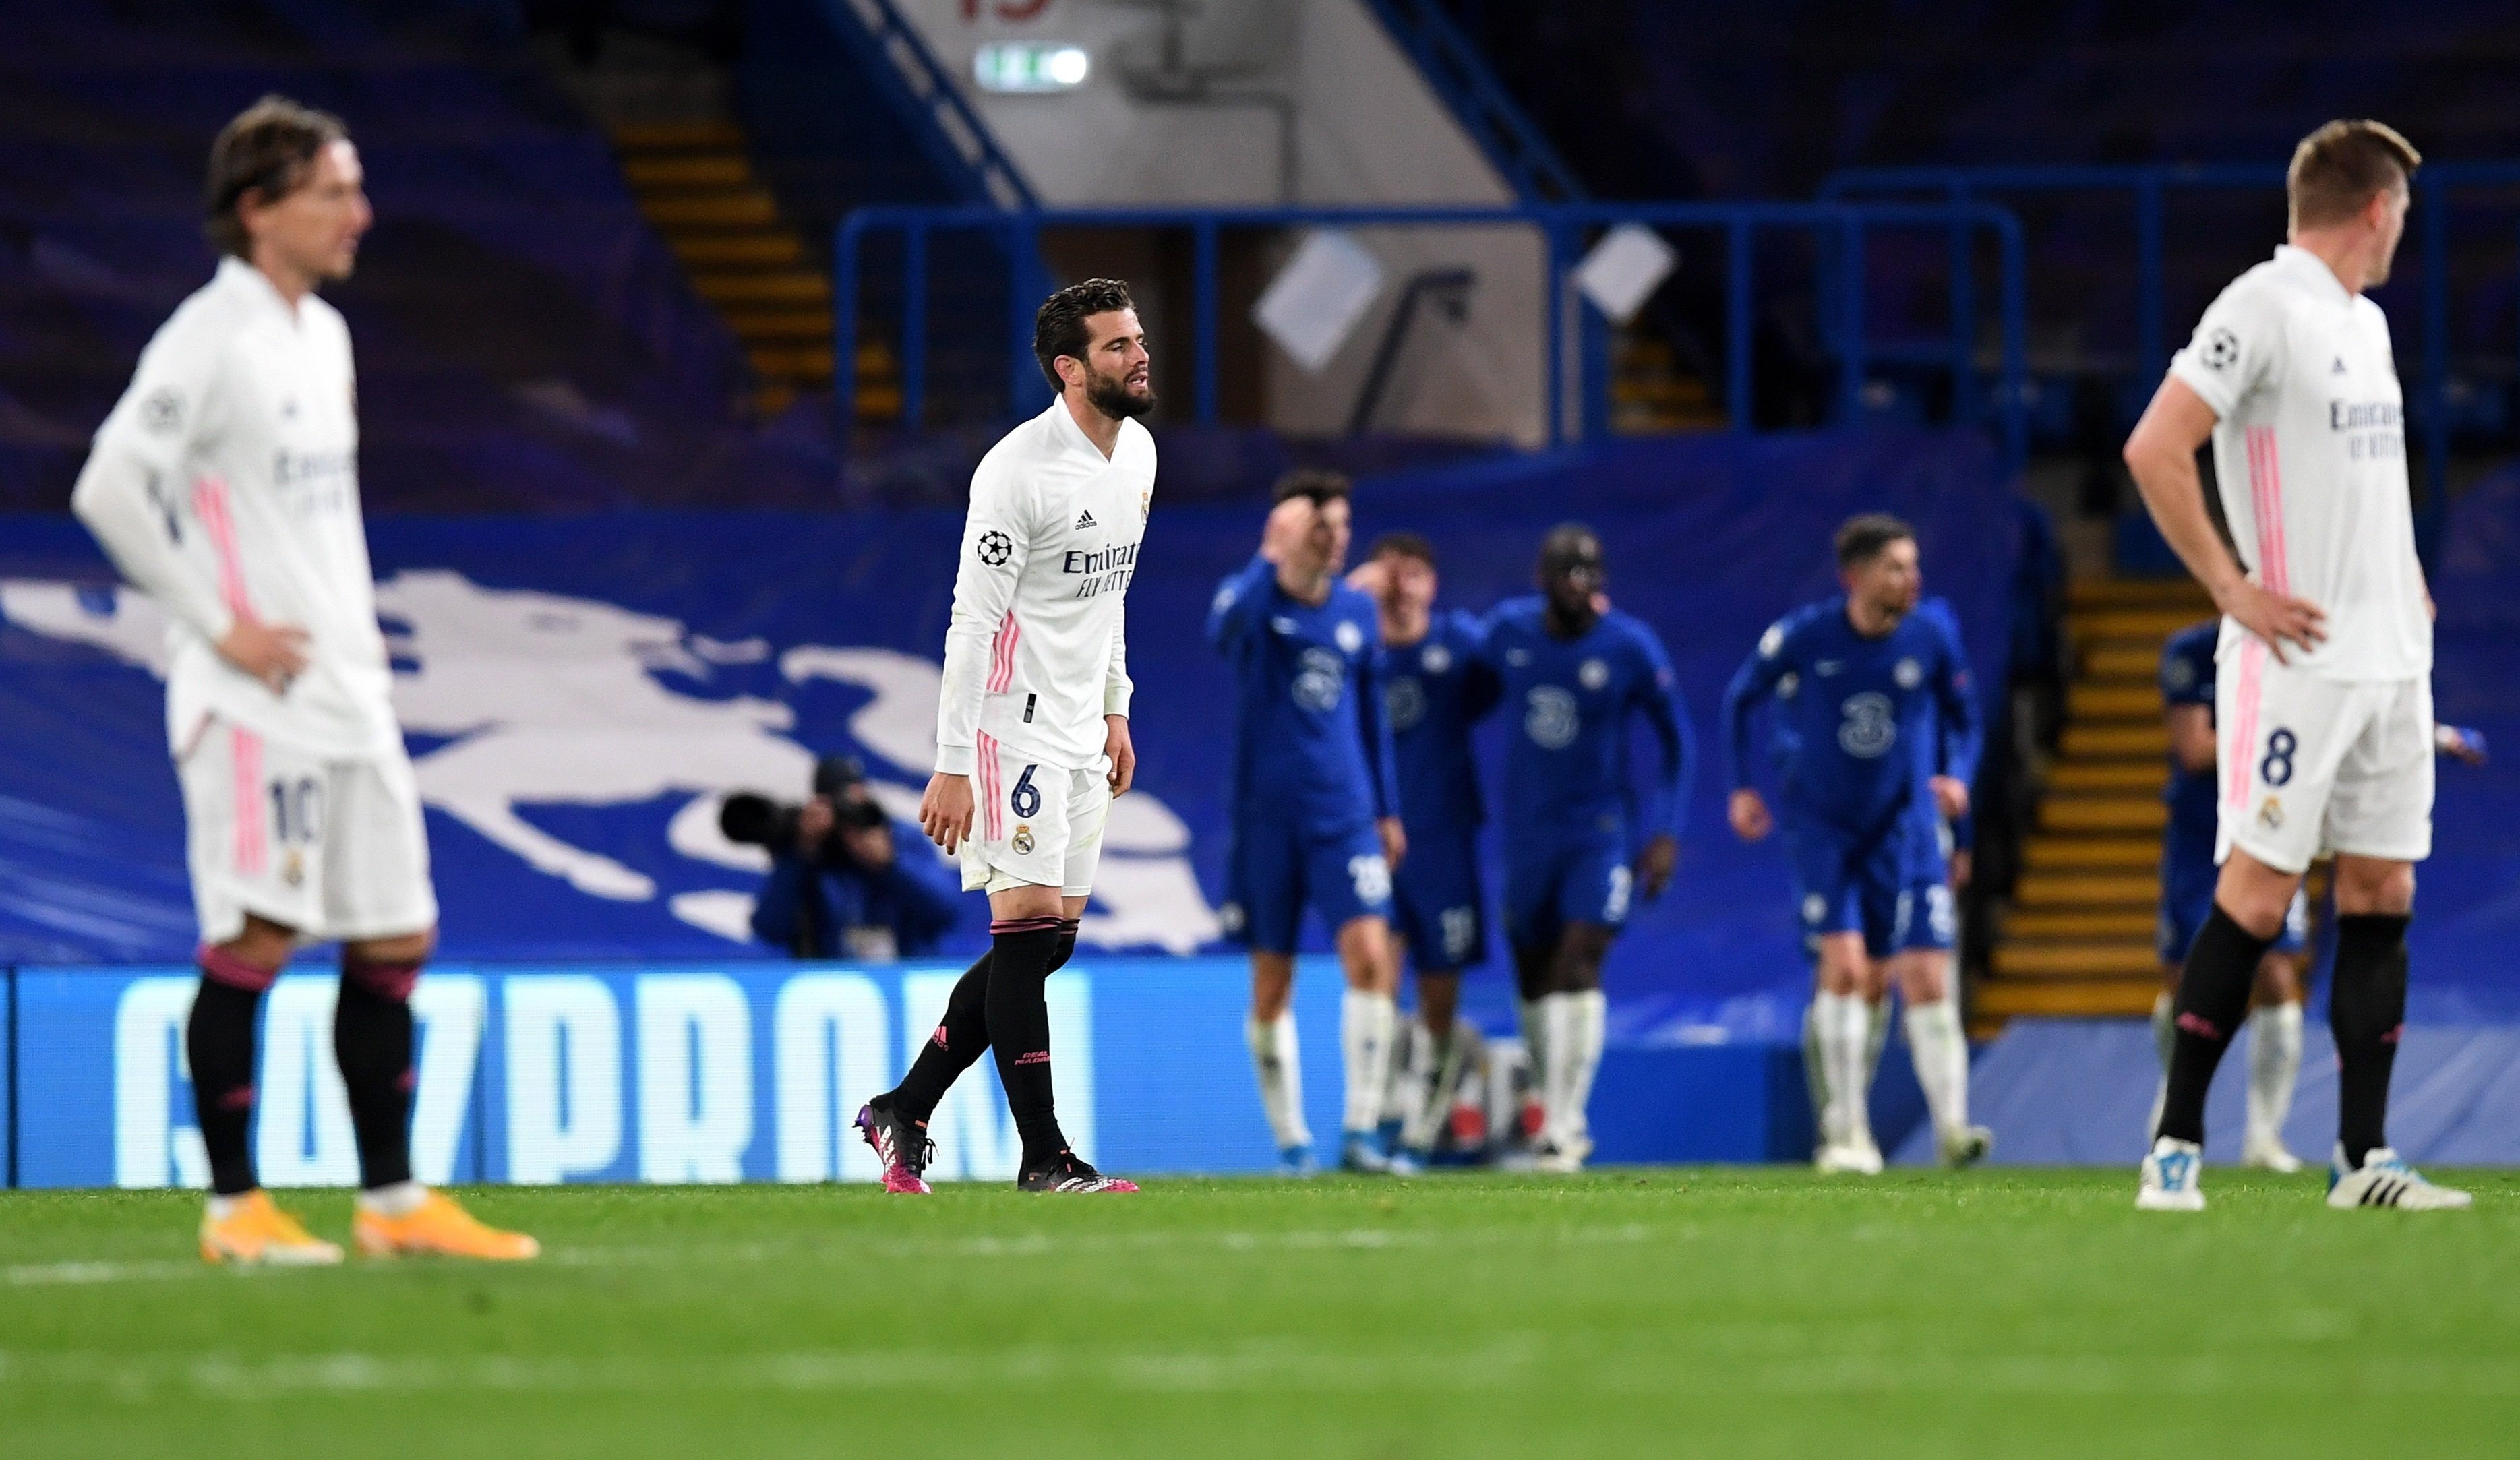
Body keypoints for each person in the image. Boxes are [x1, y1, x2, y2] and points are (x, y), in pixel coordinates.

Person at [69, 96, 535, 1262]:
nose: (359, 213)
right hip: (252, 699)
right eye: (333, 191)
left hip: (347, 691)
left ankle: (392, 1206)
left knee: (394, 936)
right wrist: (216, 624)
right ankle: (236, 1211)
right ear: (259, 208)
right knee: (260, 932)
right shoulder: (207, 335)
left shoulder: (319, 334)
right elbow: (108, 487)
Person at [2123, 119, 2468, 1211]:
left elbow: (2362, 479)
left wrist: (2402, 574)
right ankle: (2173, 1145)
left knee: (2381, 888)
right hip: (2296, 660)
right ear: (2374, 207)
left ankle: (2361, 1159)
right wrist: (2231, 589)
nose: (2401, 230)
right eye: (2401, 212)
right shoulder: (2259, 305)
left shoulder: (2361, 325)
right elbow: (2153, 444)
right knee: (2257, 896)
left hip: (2386, 660)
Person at [854, 278, 1154, 1196]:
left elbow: (1109, 596)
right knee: (1023, 929)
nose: (1138, 356)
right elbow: (970, 625)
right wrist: (951, 764)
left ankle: (902, 1108)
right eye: (1115, 346)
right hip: (1009, 724)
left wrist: (1116, 703)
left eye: (1137, 339)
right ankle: (1044, 1155)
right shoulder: (1015, 472)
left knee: (1048, 940)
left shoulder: (1137, 454)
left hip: (1078, 727)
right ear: (1069, 370)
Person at [2149, 620, 2488, 1174]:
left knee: (2280, 975)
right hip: (2199, 833)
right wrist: (2296, 729)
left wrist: (2430, 734)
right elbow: (2195, 749)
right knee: (2184, 978)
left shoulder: (2316, 643)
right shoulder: (2197, 650)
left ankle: (2265, 1136)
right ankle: (2177, 1107)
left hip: (2280, 818)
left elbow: (2357, 708)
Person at [1721, 516, 1988, 1174]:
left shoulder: (1931, 638)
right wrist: (1741, 788)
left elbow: (1966, 718)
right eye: (1896, 567)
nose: (1911, 579)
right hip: (1826, 829)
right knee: (1846, 970)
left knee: (1925, 976)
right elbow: (1738, 700)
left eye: (1912, 564)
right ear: (1856, 576)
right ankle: (1846, 1131)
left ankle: (1953, 1129)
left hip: (1909, 830)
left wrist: (1958, 776)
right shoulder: (1806, 637)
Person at [1209, 471, 1408, 1176]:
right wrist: (1270, 555)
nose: (1336, 539)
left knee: (1371, 959)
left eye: (1343, 526)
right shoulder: (1254, 602)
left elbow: (1371, 717)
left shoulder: (1357, 610)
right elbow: (1224, 633)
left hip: (1345, 817)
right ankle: (1292, 1143)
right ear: (1291, 531)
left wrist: (1386, 808)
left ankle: (1360, 1132)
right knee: (1272, 984)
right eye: (1322, 526)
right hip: (1268, 822)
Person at [1480, 524, 1691, 1173]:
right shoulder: (1508, 633)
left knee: (1580, 962)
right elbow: (1461, 689)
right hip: (1528, 834)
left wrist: (1666, 831)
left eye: (1591, 572)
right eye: (1568, 572)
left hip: (1599, 833)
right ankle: (1553, 1104)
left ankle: (1566, 1123)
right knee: (1535, 978)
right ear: (1542, 580)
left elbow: (1677, 738)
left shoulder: (1630, 645)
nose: (1582, 584)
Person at [1348, 533, 1501, 1173]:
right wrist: (1353, 593)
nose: (1402, 587)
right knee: (1375, 966)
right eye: (1392, 576)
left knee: (1440, 993)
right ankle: (1370, 1114)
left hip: (1444, 841)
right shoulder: (1355, 647)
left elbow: (1501, 680)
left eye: (1415, 576)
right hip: (1370, 837)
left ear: (1434, 586)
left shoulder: (1460, 645)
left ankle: (1423, 1126)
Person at [733, 755, 967, 960]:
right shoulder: (813, 852)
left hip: (906, 972)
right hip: (834, 986)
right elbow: (769, 929)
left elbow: (946, 912)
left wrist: (890, 865)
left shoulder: (901, 838)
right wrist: (801, 854)